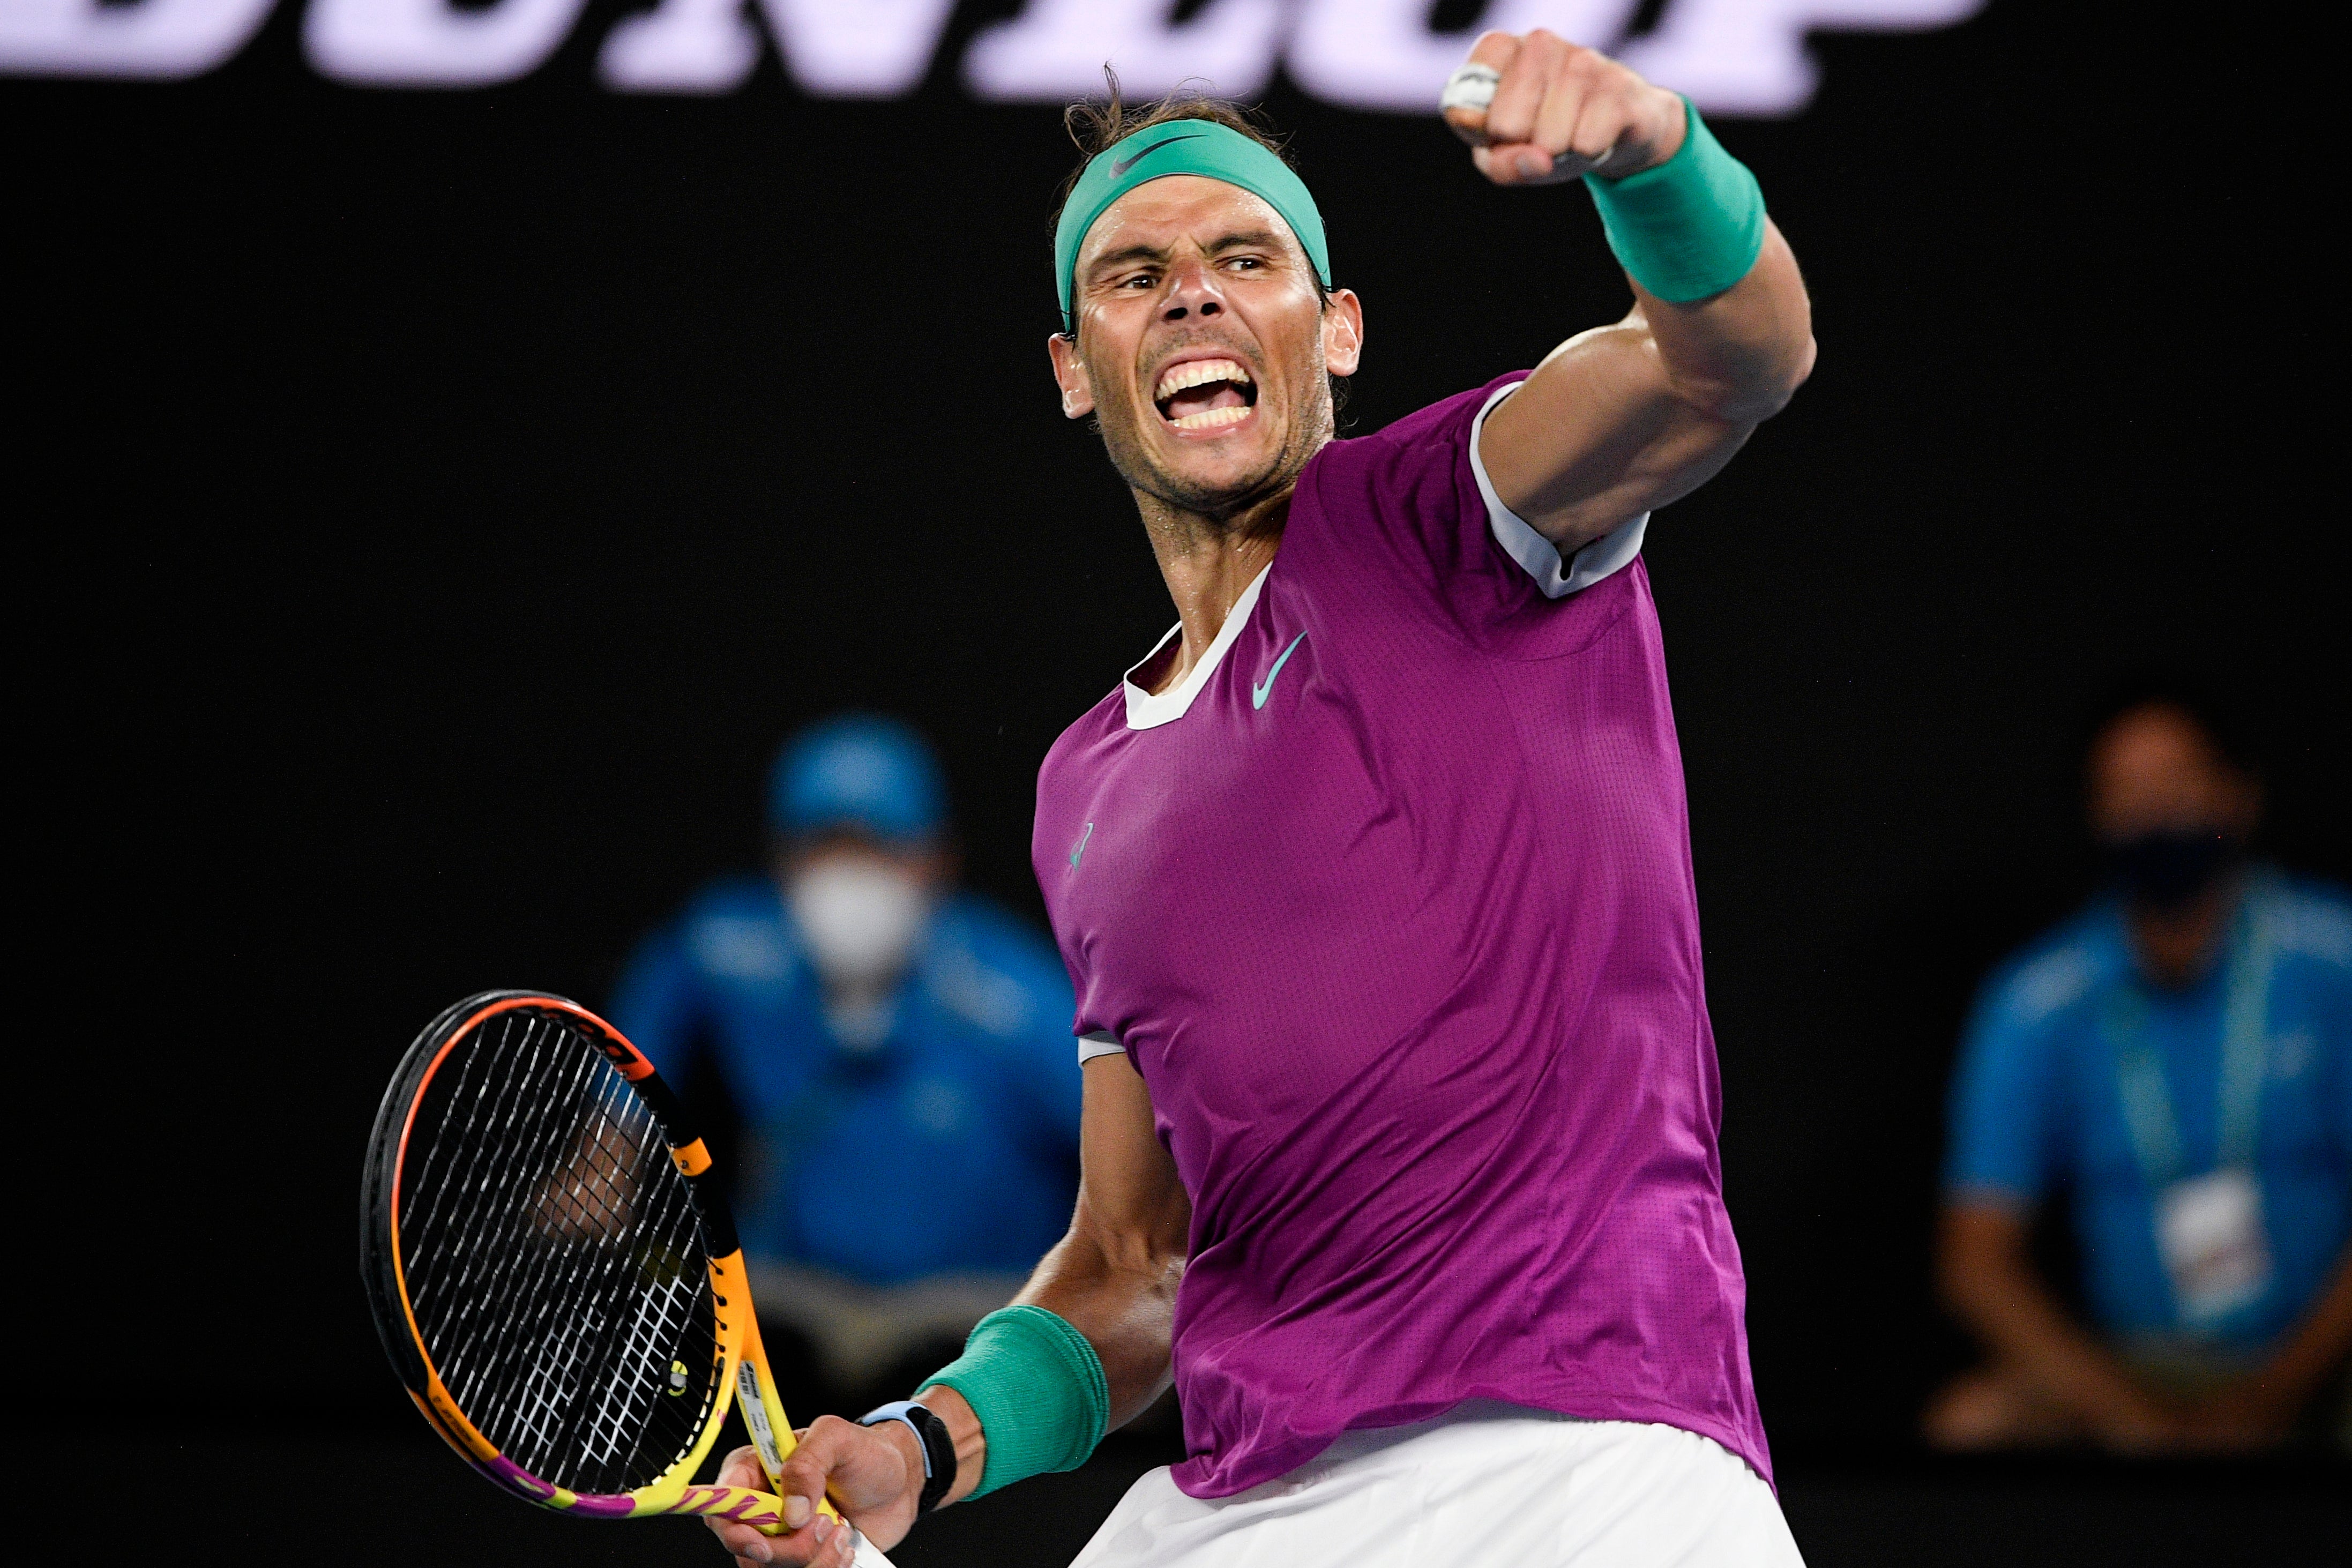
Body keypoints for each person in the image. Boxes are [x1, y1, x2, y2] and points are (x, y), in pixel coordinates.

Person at [711, 28, 1817, 1568]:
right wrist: (922, 1441)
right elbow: (1131, 1263)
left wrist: (1653, 156)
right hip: (1246, 1501)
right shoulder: (1083, 784)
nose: (1191, 291)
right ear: (1070, 372)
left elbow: (1734, 359)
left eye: (1244, 255)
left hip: (1580, 1466)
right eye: (1131, 273)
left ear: (1338, 331)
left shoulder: (1455, 515)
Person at [1929, 680, 2352, 1454]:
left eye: (2177, 780)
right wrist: (2132, 1419)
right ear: (2093, 814)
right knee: (1975, 1421)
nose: (2154, 810)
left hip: (2321, 1359)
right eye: (2127, 789)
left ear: (2239, 794)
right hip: (2136, 1368)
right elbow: (1975, 1259)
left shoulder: (2333, 959)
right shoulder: (2037, 999)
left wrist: (2272, 1394)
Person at [610, 714, 1082, 1405]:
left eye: (878, 846)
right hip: (793, 1312)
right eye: (823, 846)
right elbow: (639, 1041)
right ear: (780, 859)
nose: (849, 874)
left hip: (968, 1320)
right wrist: (607, 1155)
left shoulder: (1019, 998)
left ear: (935, 860)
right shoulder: (730, 952)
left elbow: (1133, 1175)